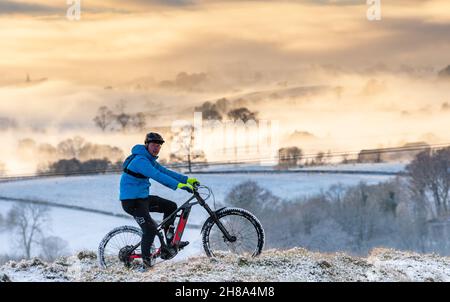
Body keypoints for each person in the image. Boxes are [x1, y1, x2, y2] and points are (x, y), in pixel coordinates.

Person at [119, 132, 199, 269]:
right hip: (131, 202)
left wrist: (186, 180)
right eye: (153, 145)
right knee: (149, 230)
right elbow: (156, 175)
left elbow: (165, 172)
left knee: (171, 207)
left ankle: (169, 243)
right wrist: (178, 185)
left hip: (142, 199)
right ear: (147, 145)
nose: (156, 148)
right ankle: (146, 265)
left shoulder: (149, 160)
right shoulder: (140, 161)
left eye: (158, 146)